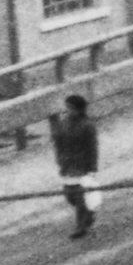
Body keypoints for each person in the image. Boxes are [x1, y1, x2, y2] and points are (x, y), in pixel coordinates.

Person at [51, 93, 101, 239]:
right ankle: (88, 214)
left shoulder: (87, 126)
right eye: (67, 108)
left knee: (80, 196)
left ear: (79, 109)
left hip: (82, 165)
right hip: (67, 165)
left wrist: (92, 168)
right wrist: (59, 160)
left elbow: (93, 148)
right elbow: (58, 143)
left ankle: (81, 226)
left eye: (71, 108)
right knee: (70, 195)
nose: (68, 111)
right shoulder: (63, 124)